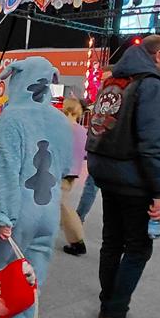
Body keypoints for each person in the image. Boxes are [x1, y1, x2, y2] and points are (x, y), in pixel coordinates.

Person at [0, 57, 73, 318]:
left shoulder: (13, 117)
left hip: (20, 206)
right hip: (49, 208)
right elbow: (67, 166)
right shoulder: (60, 120)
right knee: (33, 269)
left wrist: (2, 213)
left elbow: (5, 169)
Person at [86, 34, 160, 318]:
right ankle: (115, 313)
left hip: (107, 171)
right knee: (138, 247)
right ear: (159, 55)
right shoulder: (151, 85)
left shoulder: (114, 82)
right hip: (134, 177)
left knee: (112, 242)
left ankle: (107, 306)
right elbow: (154, 141)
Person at [60, 97, 89, 256]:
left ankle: (77, 240)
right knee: (62, 203)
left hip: (61, 171)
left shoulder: (62, 128)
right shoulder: (82, 131)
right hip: (73, 172)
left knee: (64, 206)